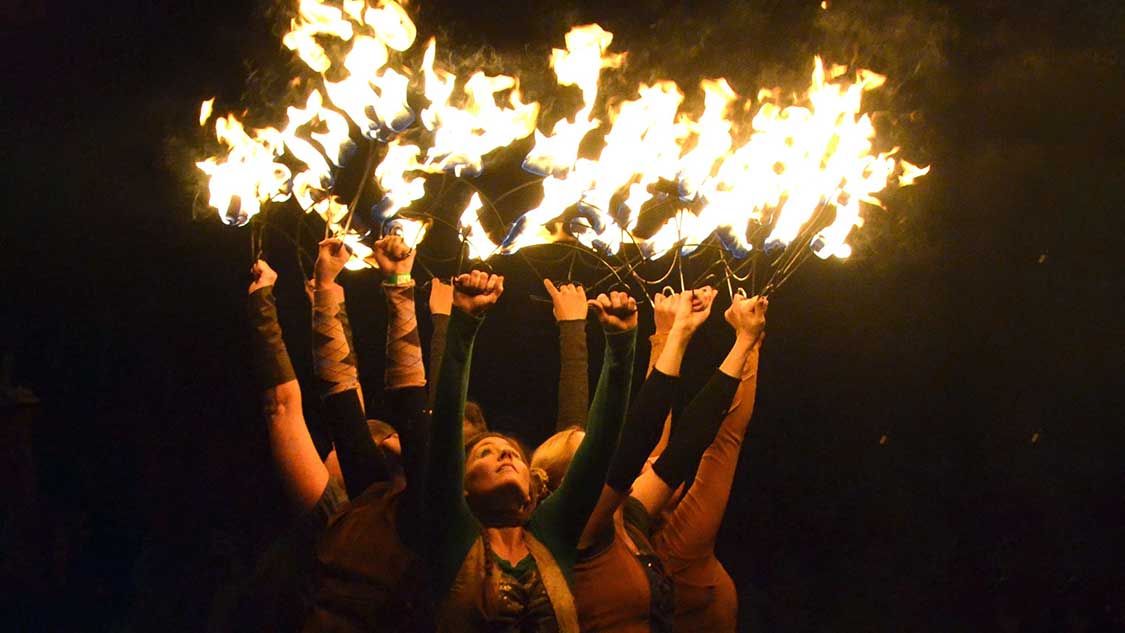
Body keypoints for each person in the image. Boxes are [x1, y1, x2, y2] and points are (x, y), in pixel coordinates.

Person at [423, 271, 638, 632]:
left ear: (533, 488)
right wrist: (463, 322)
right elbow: (445, 425)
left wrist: (620, 346)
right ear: (462, 486)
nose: (505, 456)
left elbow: (598, 446)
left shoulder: (552, 535)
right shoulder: (454, 535)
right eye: (485, 453)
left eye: (514, 456)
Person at [302, 234, 433, 633]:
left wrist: (401, 287)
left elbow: (410, 398)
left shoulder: (425, 510)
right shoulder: (371, 498)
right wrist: (326, 287)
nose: (385, 435)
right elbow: (340, 397)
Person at [640, 293, 767, 633]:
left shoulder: (632, 515)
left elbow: (649, 430)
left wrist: (665, 333)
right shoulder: (676, 549)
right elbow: (726, 440)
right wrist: (748, 342)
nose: (645, 467)